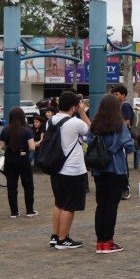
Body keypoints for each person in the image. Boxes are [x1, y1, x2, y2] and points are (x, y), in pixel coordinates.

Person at [86, 94, 135, 253]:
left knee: (101, 205)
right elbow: (129, 146)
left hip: (99, 170)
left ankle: (100, 242)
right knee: (111, 206)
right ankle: (108, 242)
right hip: (116, 169)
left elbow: (88, 142)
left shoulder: (95, 125)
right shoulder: (119, 124)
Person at [49, 90, 91, 250]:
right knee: (70, 205)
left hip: (56, 168)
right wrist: (82, 111)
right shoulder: (75, 122)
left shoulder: (51, 120)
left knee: (59, 203)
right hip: (73, 169)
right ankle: (63, 239)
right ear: (74, 106)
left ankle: (55, 236)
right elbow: (90, 128)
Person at [0, 107, 37, 218]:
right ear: (22, 117)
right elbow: (32, 147)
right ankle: (30, 211)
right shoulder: (27, 130)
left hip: (10, 159)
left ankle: (14, 212)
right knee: (28, 185)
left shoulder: (5, 130)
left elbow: (2, 147)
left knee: (11, 186)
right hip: (23, 158)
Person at [111, 85, 135, 200]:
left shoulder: (125, 106)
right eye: (114, 94)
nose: (115, 96)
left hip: (123, 139)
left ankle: (126, 188)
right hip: (119, 138)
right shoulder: (117, 107)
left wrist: (114, 128)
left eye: (117, 94)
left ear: (123, 95)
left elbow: (127, 122)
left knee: (123, 164)